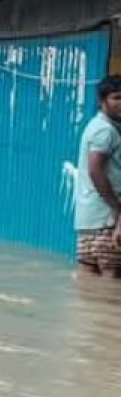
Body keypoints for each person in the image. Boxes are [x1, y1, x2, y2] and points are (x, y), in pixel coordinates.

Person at [74, 75, 121, 278]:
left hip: (87, 221)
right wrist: (118, 208)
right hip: (106, 221)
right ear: (102, 101)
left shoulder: (95, 126)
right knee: (110, 288)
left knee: (88, 284)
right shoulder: (106, 131)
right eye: (117, 98)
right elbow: (95, 170)